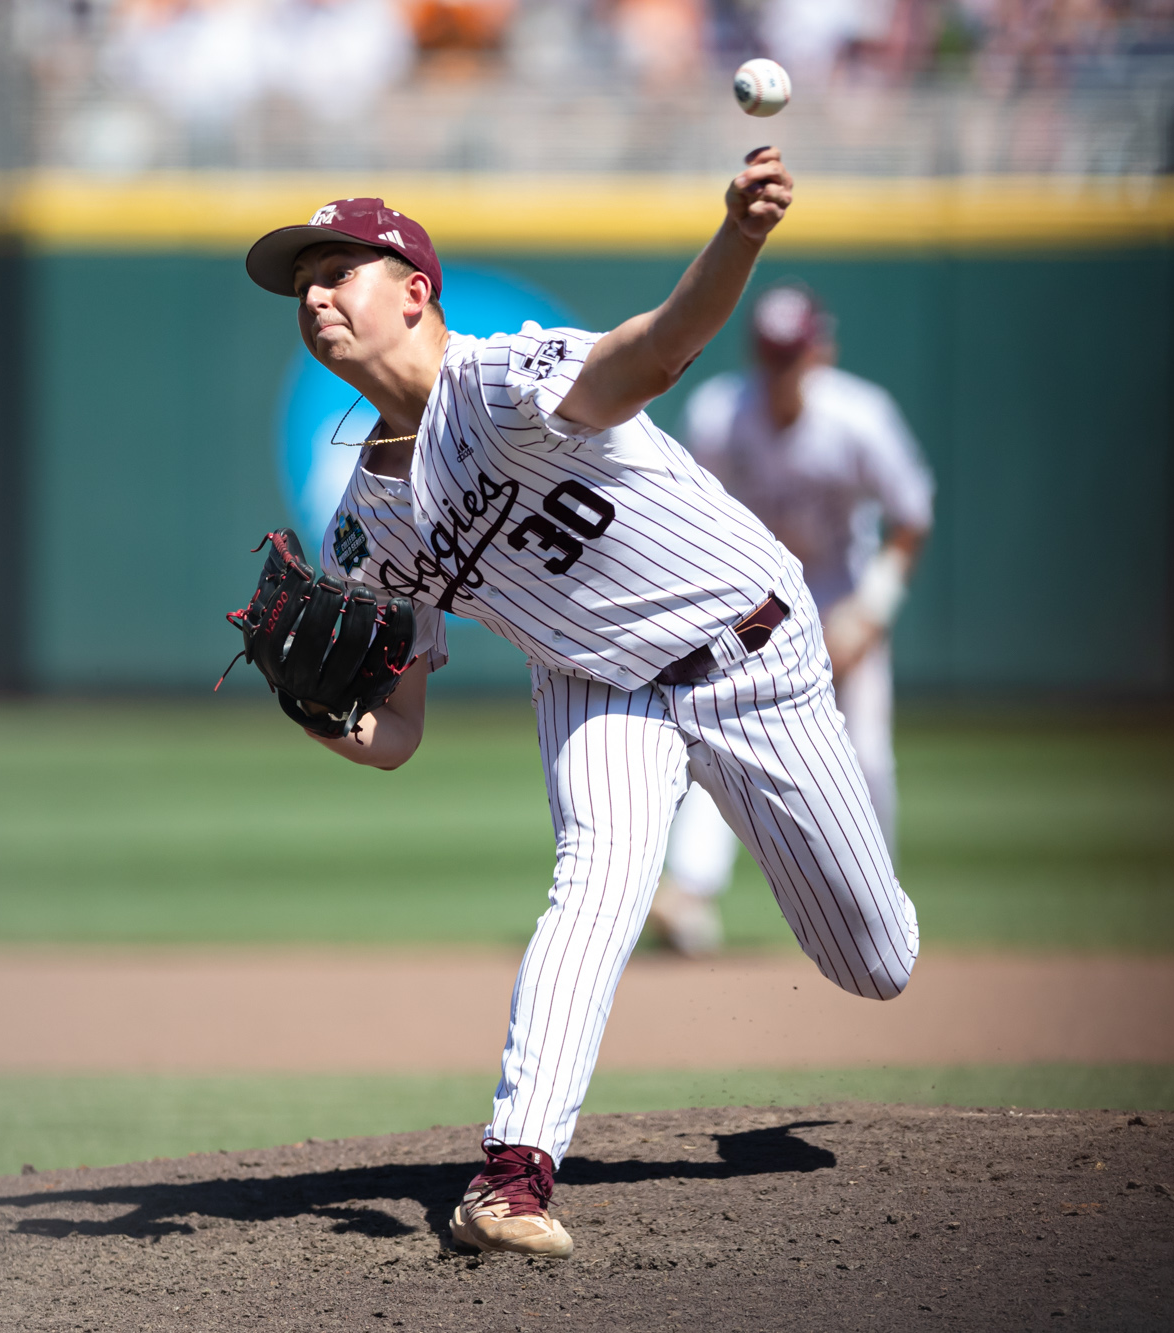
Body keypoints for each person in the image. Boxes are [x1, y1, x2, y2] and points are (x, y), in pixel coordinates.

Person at [239, 150, 919, 1260]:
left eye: (337, 268)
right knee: (591, 891)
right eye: (299, 282)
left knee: (873, 961)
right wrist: (326, 719)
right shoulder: (363, 526)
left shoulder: (507, 379)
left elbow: (651, 352)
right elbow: (399, 730)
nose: (314, 294)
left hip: (750, 648)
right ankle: (510, 1178)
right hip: (599, 689)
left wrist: (739, 233)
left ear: (414, 287)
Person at [648, 282, 934, 956]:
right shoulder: (721, 414)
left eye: (794, 354)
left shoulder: (860, 416)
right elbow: (691, 516)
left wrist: (872, 611)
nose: (782, 370)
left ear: (820, 351)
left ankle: (874, 902)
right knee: (722, 736)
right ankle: (689, 893)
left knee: (864, 752)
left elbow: (912, 515)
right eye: (771, 356)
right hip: (757, 600)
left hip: (841, 590)